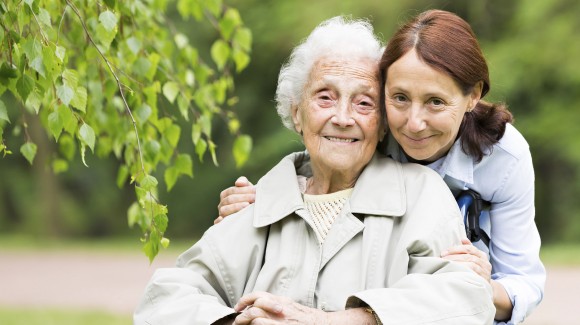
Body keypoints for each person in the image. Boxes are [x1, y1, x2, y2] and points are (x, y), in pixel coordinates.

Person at [134, 16, 495, 325]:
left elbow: (461, 299)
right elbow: (166, 297)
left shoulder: (421, 195)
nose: (342, 118)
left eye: (364, 102)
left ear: (383, 123)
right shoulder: (258, 203)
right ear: (296, 112)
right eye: (325, 96)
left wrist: (328, 321)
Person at [215, 9, 545, 325]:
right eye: (400, 98)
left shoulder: (504, 157)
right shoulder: (368, 129)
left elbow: (524, 282)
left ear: (472, 96)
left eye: (435, 102)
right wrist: (261, 200)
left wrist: (469, 287)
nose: (414, 124)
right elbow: (322, 168)